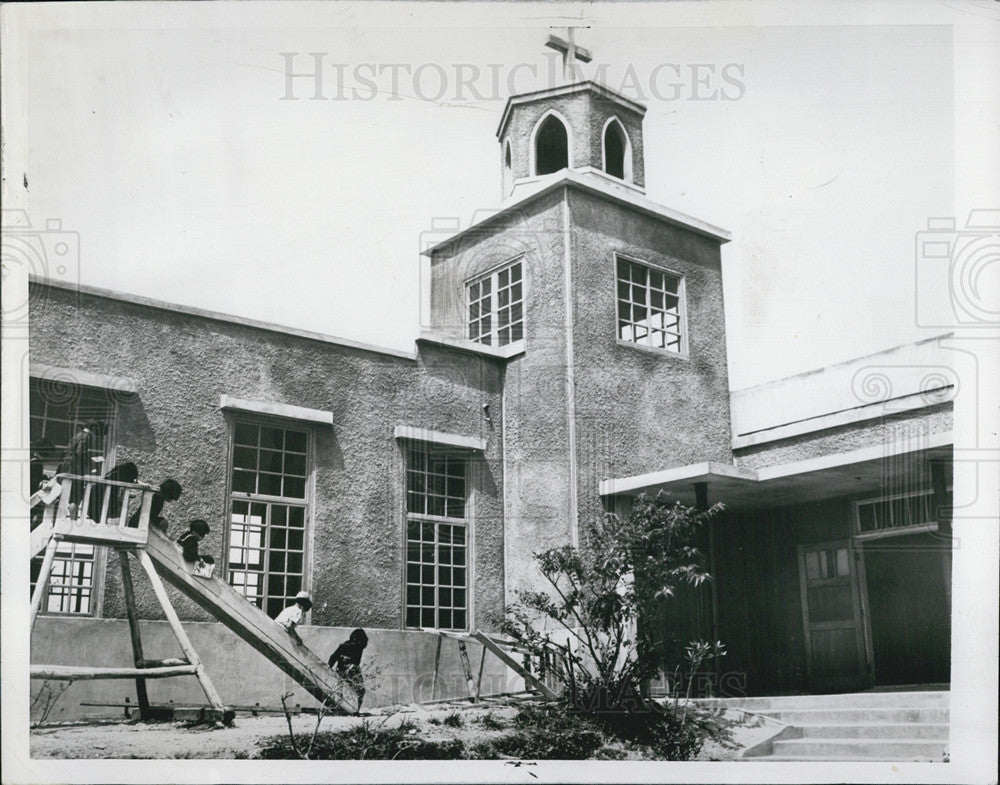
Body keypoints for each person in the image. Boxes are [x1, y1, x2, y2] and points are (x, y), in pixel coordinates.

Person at [328, 628, 368, 713]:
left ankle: (339, 707)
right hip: (351, 670)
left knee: (340, 689)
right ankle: (356, 710)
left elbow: (333, 657)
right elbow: (355, 662)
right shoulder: (358, 646)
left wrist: (329, 667)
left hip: (341, 670)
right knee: (360, 690)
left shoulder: (344, 645)